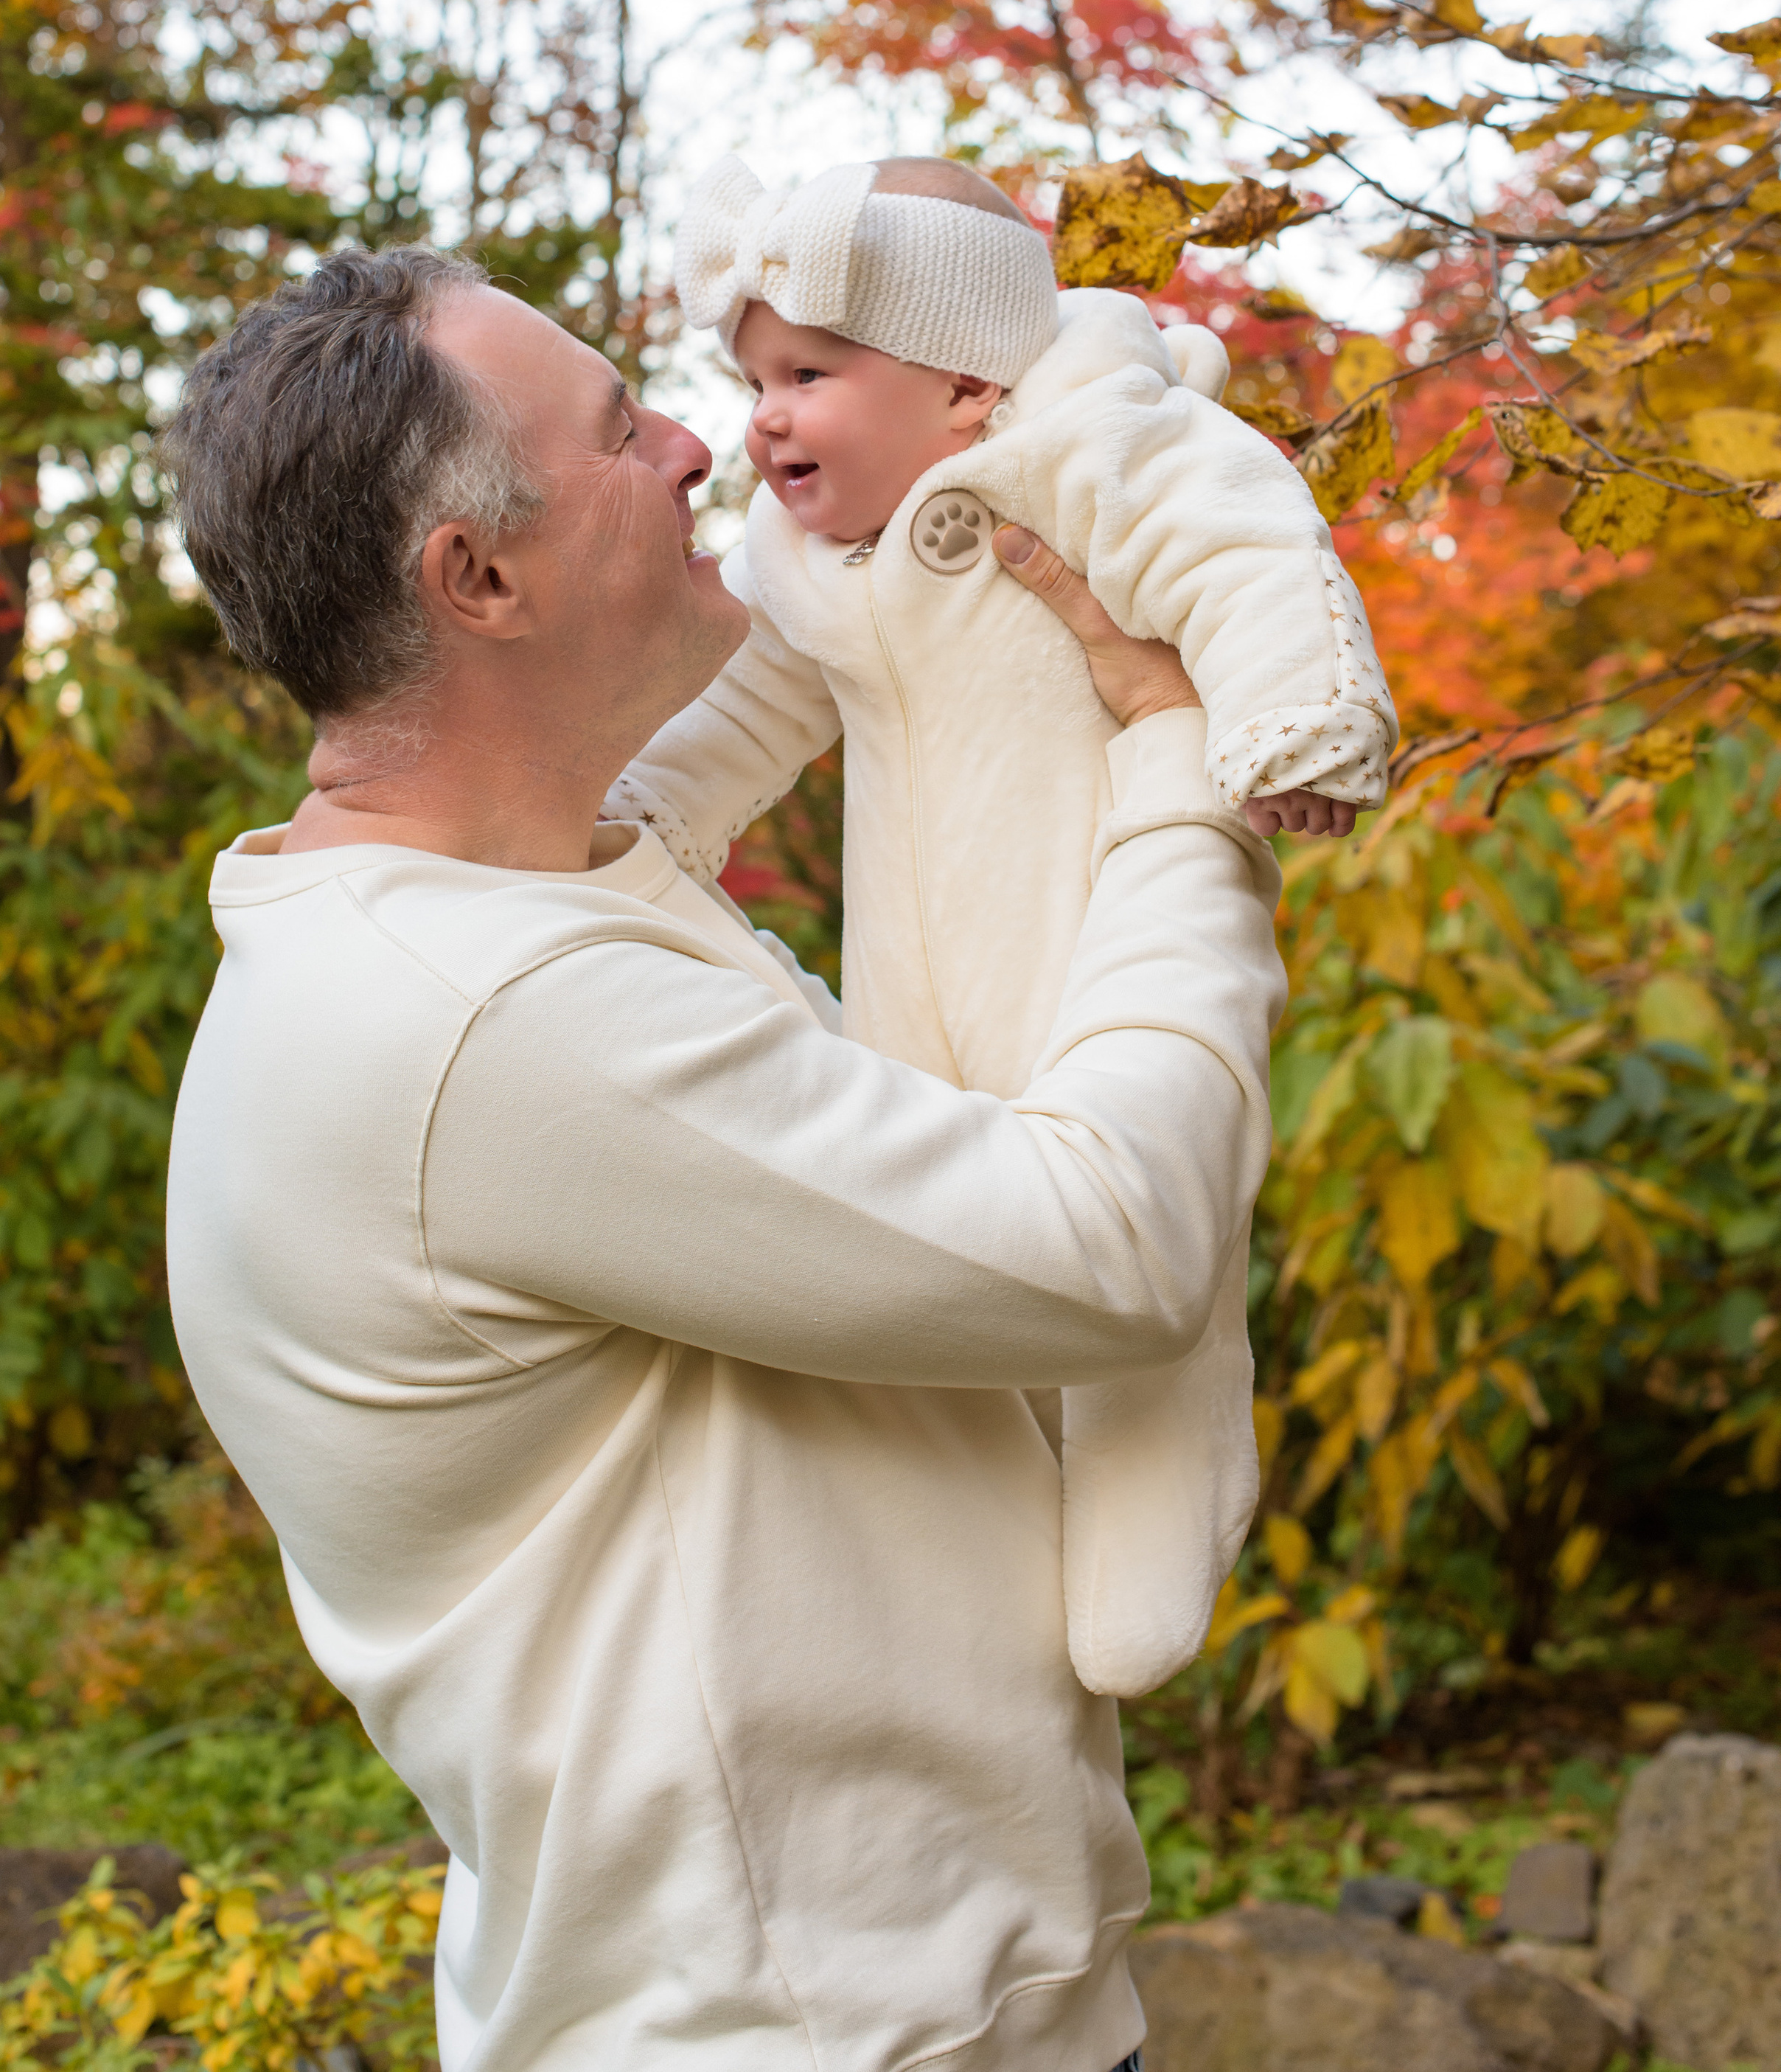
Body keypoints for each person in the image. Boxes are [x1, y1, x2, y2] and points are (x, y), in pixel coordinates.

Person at [162, 242, 1286, 2072]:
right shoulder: (490, 1022)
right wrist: (1176, 761)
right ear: (479, 575)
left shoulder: (502, 922)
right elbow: (1109, 1241)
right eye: (619, 432)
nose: (699, 444)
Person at [607, 151, 1396, 1695]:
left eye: (809, 374)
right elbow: (745, 710)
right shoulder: (802, 562)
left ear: (967, 390)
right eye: (751, 377)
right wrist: (633, 819)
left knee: (1138, 1214)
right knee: (942, 1240)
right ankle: (971, 1504)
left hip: (1088, 929)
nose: (761, 417)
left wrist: (1290, 724)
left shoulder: (1099, 442)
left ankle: (1155, 1489)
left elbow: (1241, 547)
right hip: (908, 990)